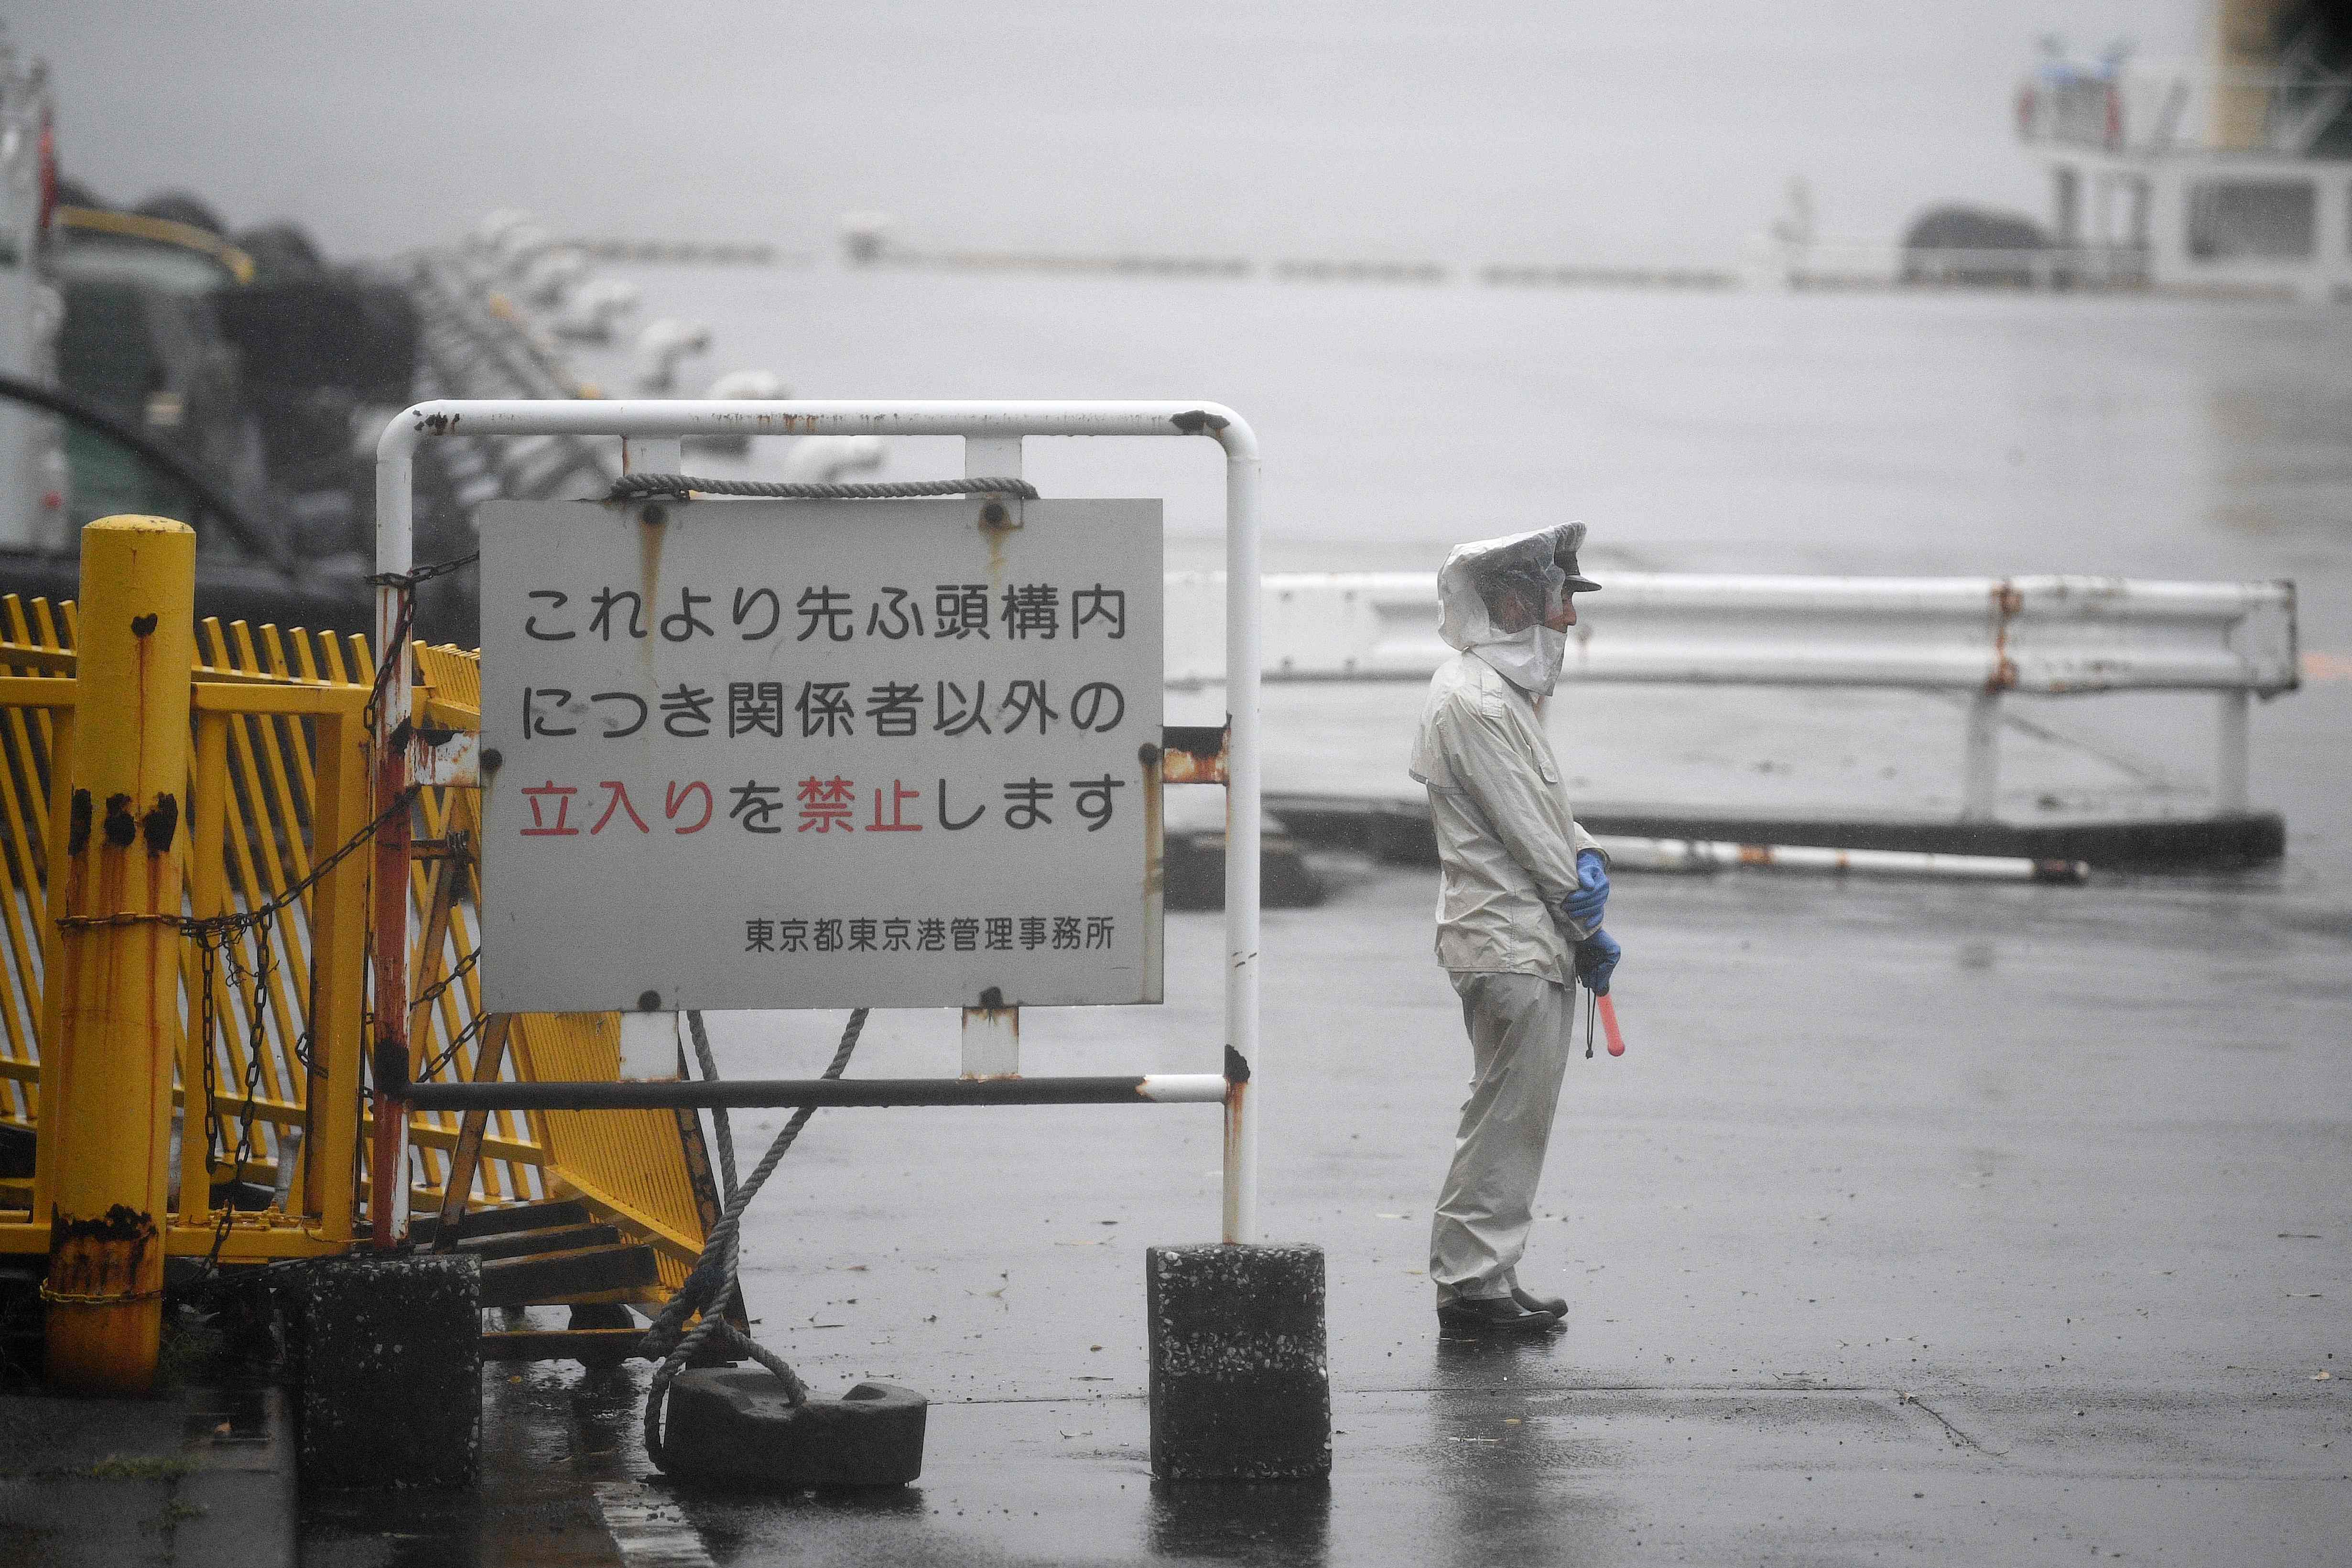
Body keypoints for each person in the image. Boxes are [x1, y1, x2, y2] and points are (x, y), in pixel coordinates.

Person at [1408, 522, 1621, 1335]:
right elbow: (1533, 832)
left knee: (1513, 1112)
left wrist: (1586, 859)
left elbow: (1548, 814)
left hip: (1520, 936)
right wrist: (1584, 908)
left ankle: (1487, 1272)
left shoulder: (1496, 696)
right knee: (1505, 1114)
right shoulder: (1473, 700)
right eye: (1559, 600)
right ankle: (1470, 1285)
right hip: (1508, 936)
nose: (1567, 619)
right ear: (1511, 602)